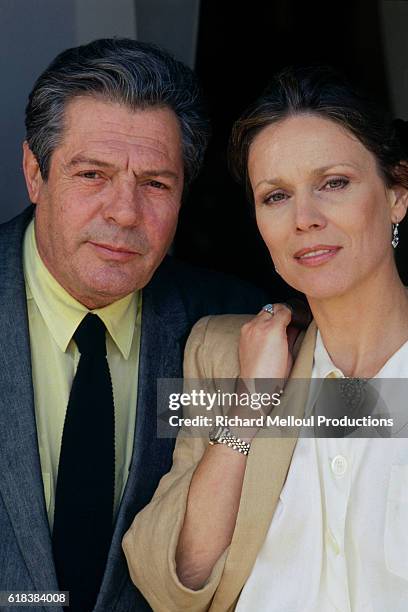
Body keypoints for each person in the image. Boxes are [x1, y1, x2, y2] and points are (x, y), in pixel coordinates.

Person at [123, 66, 408, 611]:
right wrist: (248, 409)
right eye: (276, 196)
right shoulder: (219, 352)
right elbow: (169, 585)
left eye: (334, 183)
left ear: (397, 192)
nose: (305, 218)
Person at [0, 38, 269, 612]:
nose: (124, 212)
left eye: (155, 184)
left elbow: (379, 416)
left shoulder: (228, 322)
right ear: (33, 172)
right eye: (93, 174)